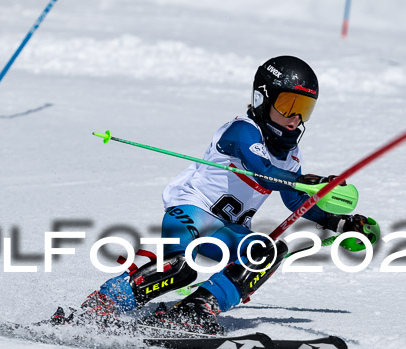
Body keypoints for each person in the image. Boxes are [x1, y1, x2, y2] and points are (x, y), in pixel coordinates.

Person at [66, 56, 376, 334]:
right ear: (261, 99)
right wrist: (309, 181)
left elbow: (295, 200)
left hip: (230, 233)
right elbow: (260, 169)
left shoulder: (291, 155)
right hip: (191, 212)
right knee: (182, 266)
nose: (295, 118)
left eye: (304, 109)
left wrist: (337, 222)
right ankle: (105, 303)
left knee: (266, 252)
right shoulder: (242, 130)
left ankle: (194, 310)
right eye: (288, 106)